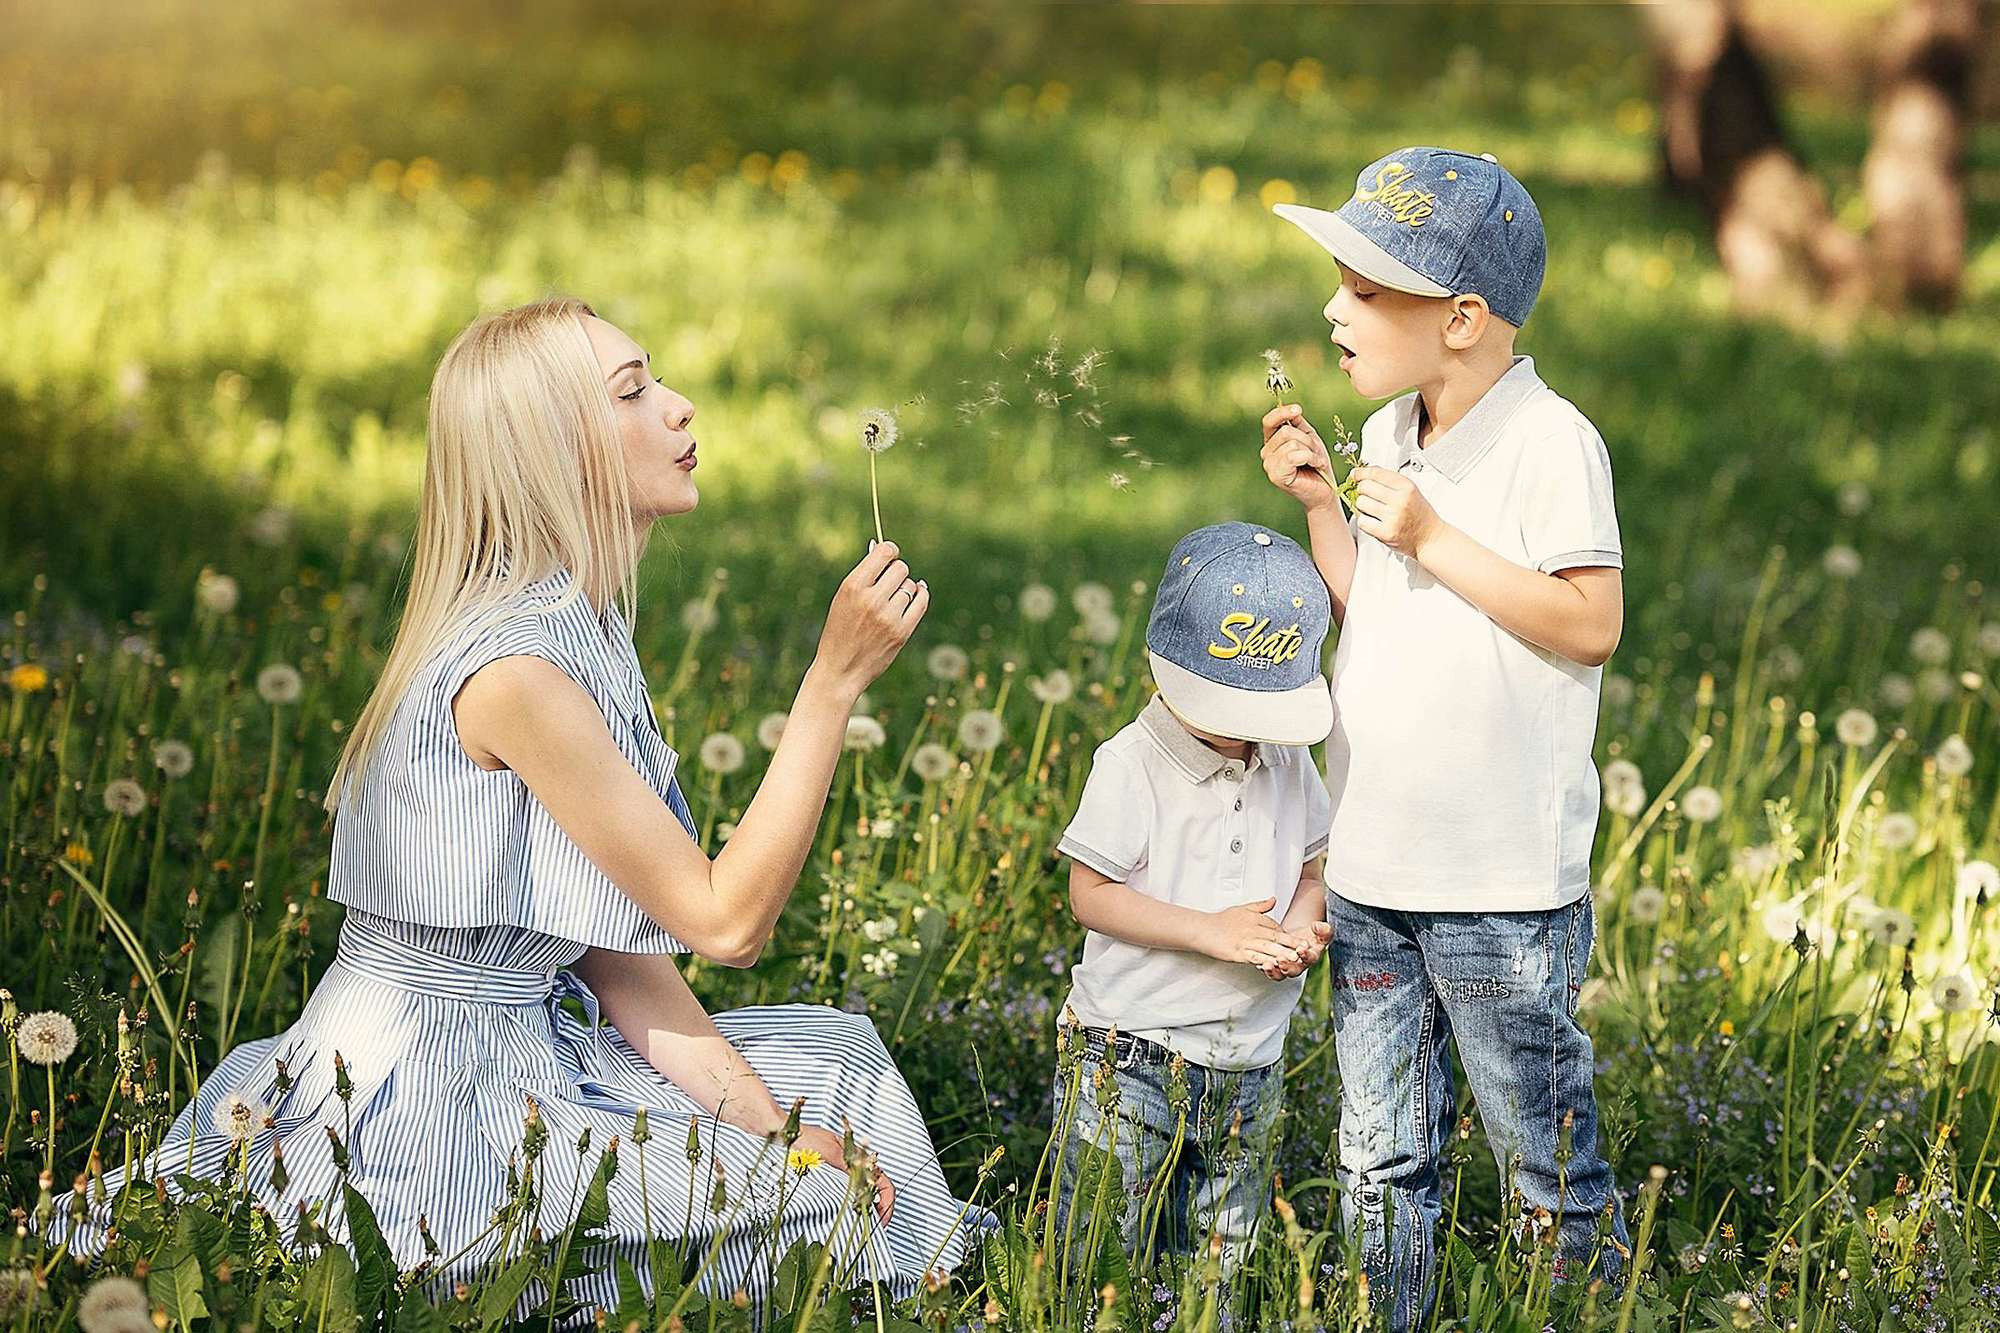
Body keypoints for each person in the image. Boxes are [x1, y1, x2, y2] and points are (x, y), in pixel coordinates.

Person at [53, 296, 984, 1313]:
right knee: (826, 1203)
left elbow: (614, 956)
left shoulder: (580, 623)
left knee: (838, 1064)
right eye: (632, 393)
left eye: (654, 378)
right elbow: (726, 921)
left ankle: (913, 1292)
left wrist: (766, 1133)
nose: (676, 408)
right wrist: (829, 686)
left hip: (534, 1036)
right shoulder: (518, 670)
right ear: (554, 453)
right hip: (434, 1107)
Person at [1264, 147, 1630, 1329]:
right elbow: (1372, 608)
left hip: (1495, 885)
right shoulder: (1384, 430)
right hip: (1375, 867)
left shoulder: (1547, 442)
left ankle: (1577, 1311)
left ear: (1461, 318)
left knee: (1542, 1160)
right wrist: (1330, 508)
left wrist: (1425, 535)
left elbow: (1588, 622)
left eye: (1365, 289)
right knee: (1378, 1158)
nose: (1334, 308)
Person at [1050, 522, 1333, 1276]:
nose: (1250, 734)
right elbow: (1091, 893)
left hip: (1249, 1063)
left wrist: (1301, 933)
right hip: (1128, 1052)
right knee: (1100, 1257)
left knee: (1218, 1266)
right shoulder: (1132, 763)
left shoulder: (1287, 758)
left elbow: (1311, 870)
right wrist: (1209, 933)